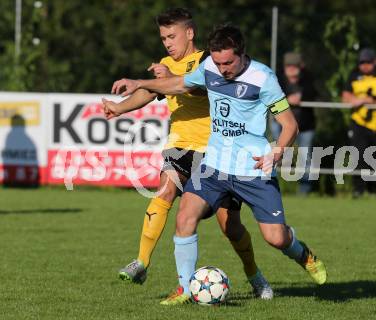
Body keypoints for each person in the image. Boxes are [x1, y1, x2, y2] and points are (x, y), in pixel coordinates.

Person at [112, 24, 327, 305]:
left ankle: (303, 253)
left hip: (252, 168)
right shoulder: (210, 67)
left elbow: (290, 125)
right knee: (184, 218)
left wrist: (277, 152)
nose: (222, 69)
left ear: (242, 54)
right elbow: (178, 84)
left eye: (228, 62)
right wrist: (141, 83)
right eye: (218, 62)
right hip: (213, 165)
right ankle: (184, 290)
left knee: (275, 238)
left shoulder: (263, 78)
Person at [104, 9, 273, 300]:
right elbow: (149, 92)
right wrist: (119, 108)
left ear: (190, 33)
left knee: (229, 226)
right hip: (181, 145)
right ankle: (142, 262)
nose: (167, 43)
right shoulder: (167, 65)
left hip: (216, 151)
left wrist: (171, 77)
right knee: (164, 190)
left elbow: (200, 90)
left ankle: (255, 275)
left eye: (172, 36)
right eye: (163, 38)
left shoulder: (211, 60)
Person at [342, 48, 376, 198]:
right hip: (359, 122)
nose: (364, 66)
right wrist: (361, 100)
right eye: (362, 62)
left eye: (368, 62)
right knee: (358, 155)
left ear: (375, 62)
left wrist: (365, 100)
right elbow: (345, 98)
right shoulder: (354, 75)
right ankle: (358, 190)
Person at [282, 52, 317, 195]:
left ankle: (304, 191)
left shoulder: (308, 78)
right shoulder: (278, 79)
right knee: (276, 151)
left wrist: (302, 96)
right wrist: (287, 99)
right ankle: (270, 188)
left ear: (300, 66)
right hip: (283, 125)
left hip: (305, 126)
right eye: (288, 66)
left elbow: (316, 93)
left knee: (305, 158)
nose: (291, 69)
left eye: (294, 66)